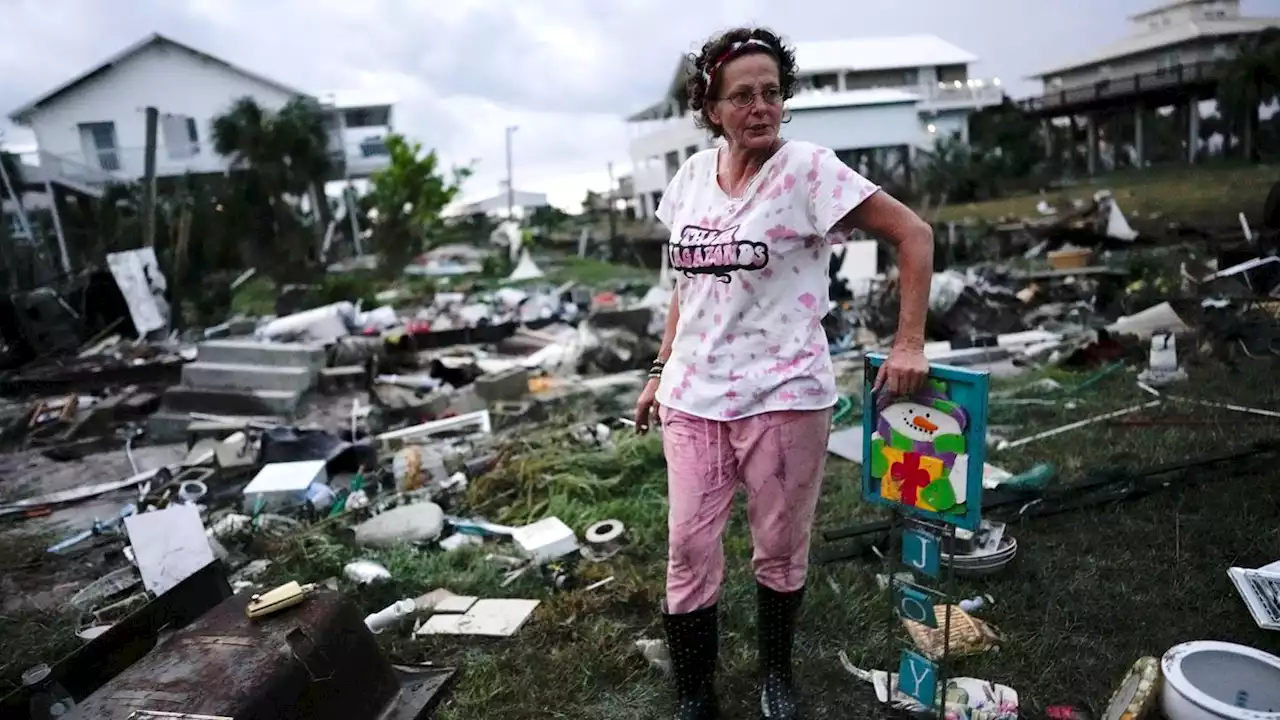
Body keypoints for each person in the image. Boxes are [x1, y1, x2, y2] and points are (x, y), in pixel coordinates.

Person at [632, 26, 935, 720]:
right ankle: (695, 694)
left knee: (778, 548)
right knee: (687, 547)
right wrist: (658, 367)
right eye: (741, 96)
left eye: (771, 93)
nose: (760, 107)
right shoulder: (686, 182)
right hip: (694, 397)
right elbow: (687, 285)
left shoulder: (809, 170)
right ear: (710, 107)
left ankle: (776, 676)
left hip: (785, 395)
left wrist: (908, 342)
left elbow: (913, 234)